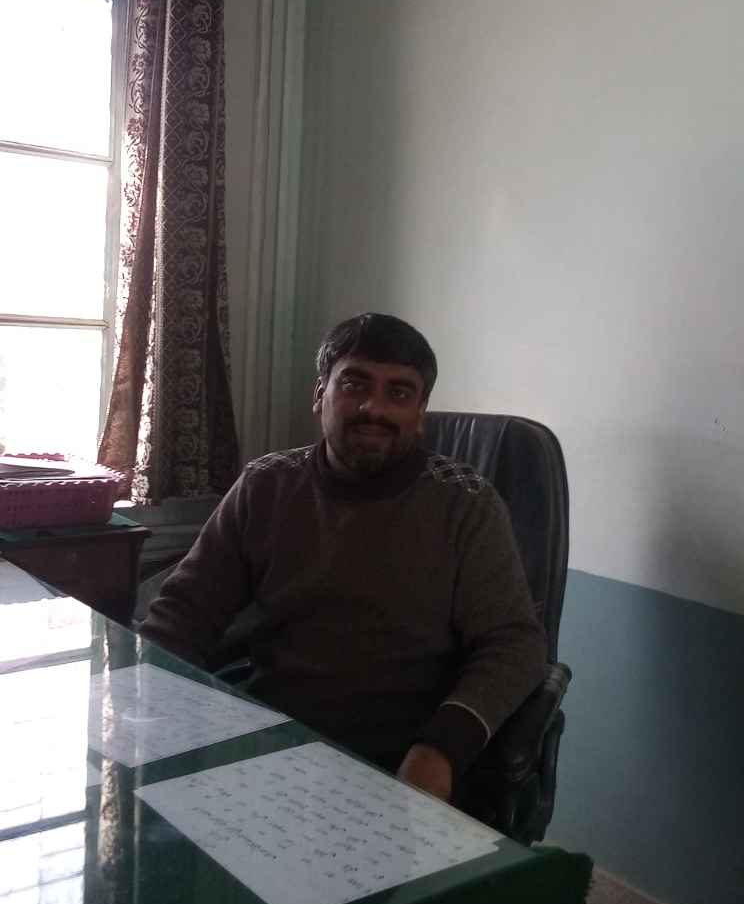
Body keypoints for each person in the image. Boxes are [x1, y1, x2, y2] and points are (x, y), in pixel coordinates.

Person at [139, 313, 546, 803]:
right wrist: (143, 698)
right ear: (320, 394)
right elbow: (186, 612)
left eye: (399, 393)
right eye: (355, 384)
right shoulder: (266, 485)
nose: (374, 408)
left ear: (420, 413)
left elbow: (514, 645)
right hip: (273, 744)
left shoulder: (466, 503)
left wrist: (441, 748)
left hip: (406, 758)